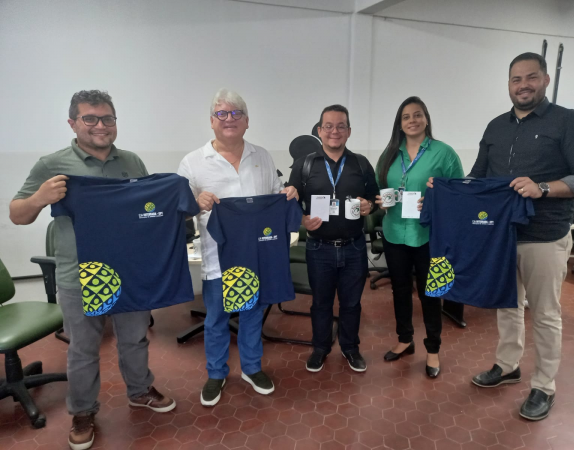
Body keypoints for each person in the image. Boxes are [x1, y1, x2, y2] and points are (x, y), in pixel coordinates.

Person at [9, 90, 175, 450]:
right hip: (80, 276)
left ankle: (140, 390)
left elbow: (145, 209)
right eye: (90, 118)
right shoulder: (51, 164)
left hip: (130, 271)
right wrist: (39, 198)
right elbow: (17, 214)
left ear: (115, 122)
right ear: (73, 123)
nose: (101, 125)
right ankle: (82, 411)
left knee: (135, 338)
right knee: (83, 350)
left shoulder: (131, 161)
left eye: (108, 118)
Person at [466, 52, 574, 420]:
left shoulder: (569, 122)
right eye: (516, 79)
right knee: (507, 306)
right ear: (508, 84)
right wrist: (446, 189)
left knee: (545, 314)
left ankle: (544, 385)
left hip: (545, 236)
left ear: (545, 80)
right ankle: (508, 366)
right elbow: (478, 177)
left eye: (531, 77)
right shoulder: (496, 127)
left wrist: (543, 188)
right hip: (501, 236)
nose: (523, 85)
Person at [177, 89, 297, 407]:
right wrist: (194, 202)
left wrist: (287, 193)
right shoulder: (192, 162)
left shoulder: (262, 156)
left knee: (252, 314)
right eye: (222, 113)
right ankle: (216, 373)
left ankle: (251, 368)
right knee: (216, 317)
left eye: (236, 113)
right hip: (217, 257)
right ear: (211, 121)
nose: (229, 119)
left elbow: (275, 193)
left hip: (255, 256)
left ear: (246, 121)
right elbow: (177, 210)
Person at [375, 96, 464, 378]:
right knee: (400, 290)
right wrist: (380, 201)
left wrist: (436, 201)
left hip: (428, 235)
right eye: (406, 117)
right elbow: (379, 189)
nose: (412, 120)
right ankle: (405, 339)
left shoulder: (444, 153)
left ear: (426, 119)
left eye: (417, 115)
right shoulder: (390, 154)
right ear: (399, 124)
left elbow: (458, 193)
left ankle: (433, 349)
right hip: (394, 232)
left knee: (430, 293)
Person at [288, 104, 379, 373]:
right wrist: (302, 220)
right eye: (328, 126)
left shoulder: (361, 163)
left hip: (354, 247)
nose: (334, 131)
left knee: (352, 304)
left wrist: (370, 206)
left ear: (349, 131)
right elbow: (291, 202)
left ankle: (350, 348)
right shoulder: (305, 165)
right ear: (319, 130)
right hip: (319, 248)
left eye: (341, 126)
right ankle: (320, 348)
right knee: (321, 303)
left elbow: (374, 197)